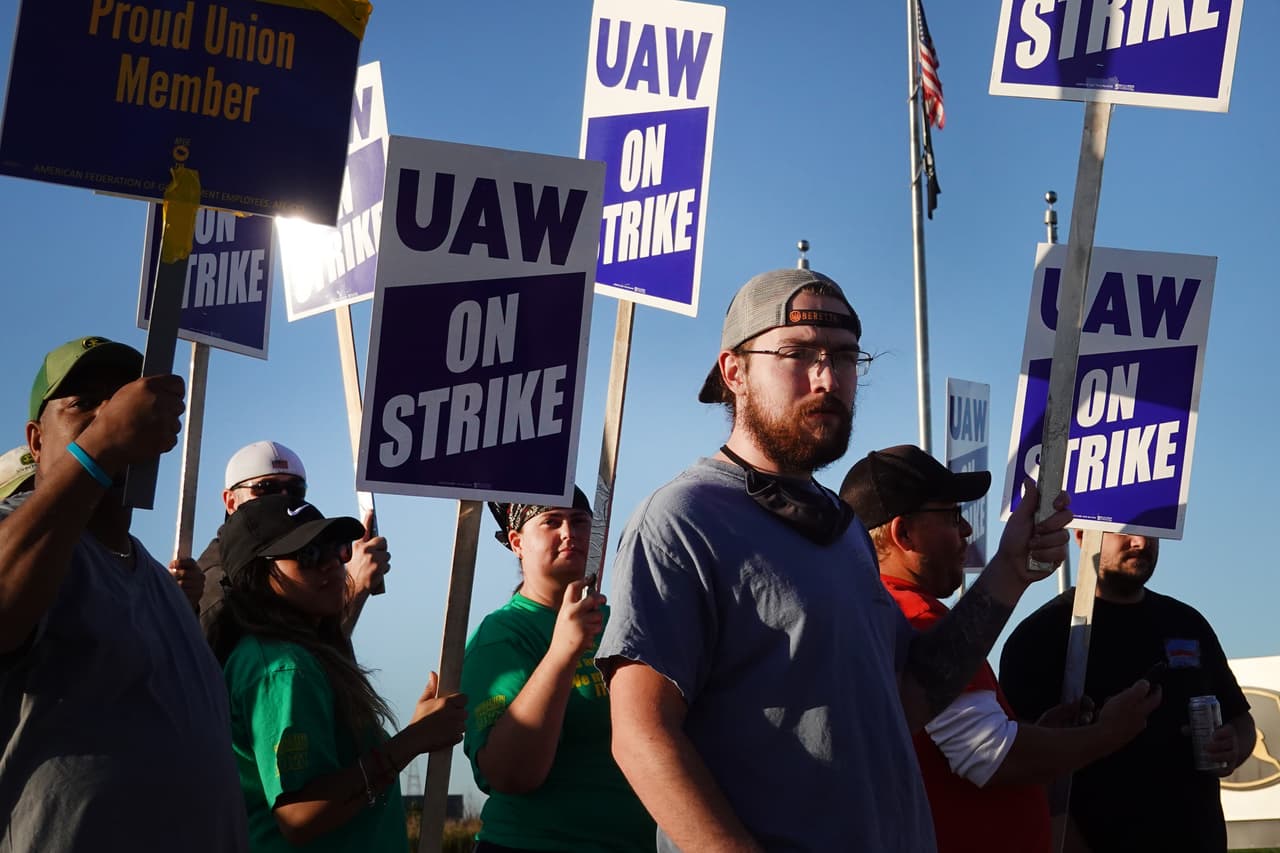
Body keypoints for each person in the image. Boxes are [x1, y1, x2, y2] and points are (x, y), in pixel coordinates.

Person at [595, 268, 1073, 852]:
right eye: (797, 354)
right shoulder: (683, 518)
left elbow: (909, 696)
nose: (827, 378)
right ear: (734, 371)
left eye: (845, 357)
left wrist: (1008, 573)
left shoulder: (841, 527)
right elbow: (641, 735)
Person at [840, 445, 1159, 853]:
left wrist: (1042, 734)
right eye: (954, 516)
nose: (968, 532)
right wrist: (1109, 733)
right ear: (903, 534)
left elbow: (965, 747)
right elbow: (990, 757)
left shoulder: (882, 610)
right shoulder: (912, 616)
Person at [0, 335, 246, 851]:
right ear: (36, 440)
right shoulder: (19, 538)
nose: (110, 413)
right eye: (84, 403)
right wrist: (101, 446)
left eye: (120, 399)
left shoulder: (156, 580)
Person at [208, 494, 467, 852]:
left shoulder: (287, 654)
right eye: (308, 555)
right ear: (255, 576)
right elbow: (299, 816)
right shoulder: (284, 669)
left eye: (336, 549)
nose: (332, 564)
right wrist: (413, 742)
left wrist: (414, 734)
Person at [1000, 530, 1256, 852]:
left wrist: (1233, 744)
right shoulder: (1040, 635)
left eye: (1152, 531)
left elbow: (1242, 721)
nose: (1141, 543)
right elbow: (1023, 767)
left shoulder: (1188, 623)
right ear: (1082, 535)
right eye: (1127, 532)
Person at [460, 489, 655, 852]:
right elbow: (508, 773)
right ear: (517, 542)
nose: (570, 533)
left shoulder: (622, 625)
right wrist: (561, 653)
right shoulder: (503, 636)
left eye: (579, 521)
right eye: (551, 521)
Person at [197, 440, 389, 635]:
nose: (283, 497)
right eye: (267, 488)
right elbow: (298, 657)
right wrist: (354, 589)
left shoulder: (281, 561)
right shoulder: (217, 586)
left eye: (295, 490)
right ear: (231, 501)